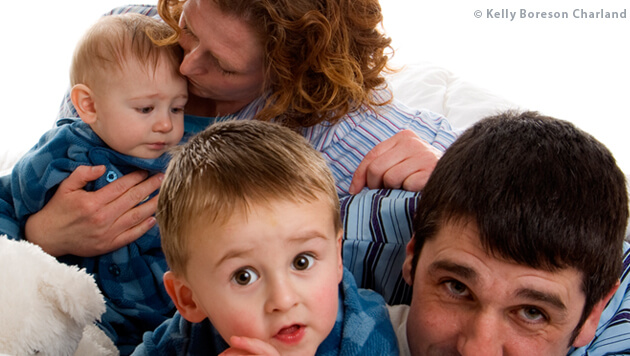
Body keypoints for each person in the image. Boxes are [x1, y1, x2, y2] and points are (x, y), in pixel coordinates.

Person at [21, 2, 458, 278]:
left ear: (289, 74)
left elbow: (511, 175)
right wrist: (42, 235)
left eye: (224, 65)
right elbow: (52, 158)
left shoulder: (338, 137)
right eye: (190, 27)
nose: (187, 66)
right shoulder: (136, 35)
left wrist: (453, 175)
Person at [0, 13, 188, 354]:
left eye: (177, 108)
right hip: (75, 314)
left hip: (155, 322)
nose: (165, 124)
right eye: (146, 108)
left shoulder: (182, 166)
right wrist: (31, 238)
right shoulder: (63, 152)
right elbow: (9, 199)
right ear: (88, 105)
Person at [132, 119, 399, 355]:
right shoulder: (184, 337)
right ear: (190, 298)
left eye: (302, 262)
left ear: (337, 259)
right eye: (243, 276)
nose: (283, 300)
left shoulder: (366, 333)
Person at [389, 111, 630, 355]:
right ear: (412, 254)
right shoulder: (356, 243)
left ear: (592, 315)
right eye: (456, 287)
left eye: (532, 313)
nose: (476, 350)